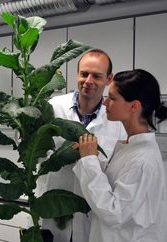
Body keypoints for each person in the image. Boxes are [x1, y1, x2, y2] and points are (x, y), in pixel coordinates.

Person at [35, 49, 127, 242]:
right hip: (52, 213)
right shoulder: (53, 107)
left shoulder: (117, 122)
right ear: (77, 74)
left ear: (109, 79)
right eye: (84, 74)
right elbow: (33, 150)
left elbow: (117, 171)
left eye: (97, 76)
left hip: (90, 217)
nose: (88, 81)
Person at [73, 69, 167, 242]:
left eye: (113, 98)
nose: (105, 103)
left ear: (134, 106)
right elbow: (115, 185)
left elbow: (113, 212)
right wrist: (90, 156)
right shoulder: (130, 146)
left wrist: (89, 162)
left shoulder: (142, 159)